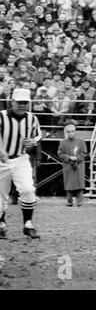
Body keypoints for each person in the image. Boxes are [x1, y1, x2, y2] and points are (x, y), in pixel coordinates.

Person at [0, 88, 41, 240]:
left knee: (28, 189)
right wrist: (1, 149)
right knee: (0, 197)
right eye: (19, 102)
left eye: (25, 103)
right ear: (12, 102)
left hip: (20, 158)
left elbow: (37, 136)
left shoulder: (32, 118)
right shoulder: (1, 116)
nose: (22, 105)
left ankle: (28, 223)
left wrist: (32, 142)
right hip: (1, 161)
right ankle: (1, 223)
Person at [57, 120, 88, 207]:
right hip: (68, 165)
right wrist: (69, 158)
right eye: (69, 131)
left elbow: (84, 153)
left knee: (79, 182)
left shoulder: (81, 141)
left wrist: (77, 158)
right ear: (66, 132)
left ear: (75, 131)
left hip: (79, 164)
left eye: (72, 131)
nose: (71, 133)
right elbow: (60, 153)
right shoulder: (62, 142)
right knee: (69, 182)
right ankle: (69, 200)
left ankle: (79, 201)